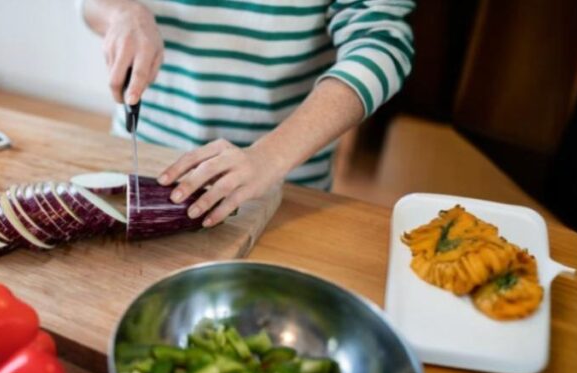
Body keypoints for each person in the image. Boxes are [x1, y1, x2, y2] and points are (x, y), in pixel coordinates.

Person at [82, 0, 414, 227]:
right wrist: (121, 11)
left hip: (277, 185)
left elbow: (380, 43)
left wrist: (271, 156)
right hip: (142, 156)